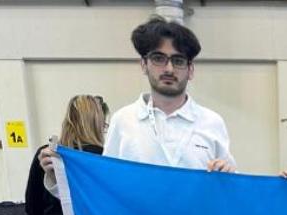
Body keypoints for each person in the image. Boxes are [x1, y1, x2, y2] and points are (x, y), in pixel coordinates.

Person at [40, 17, 234, 175]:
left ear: (190, 70)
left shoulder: (211, 122)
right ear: (143, 64)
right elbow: (105, 184)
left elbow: (230, 192)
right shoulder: (123, 121)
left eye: (178, 60)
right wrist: (59, 174)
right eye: (158, 58)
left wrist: (228, 173)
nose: (169, 68)